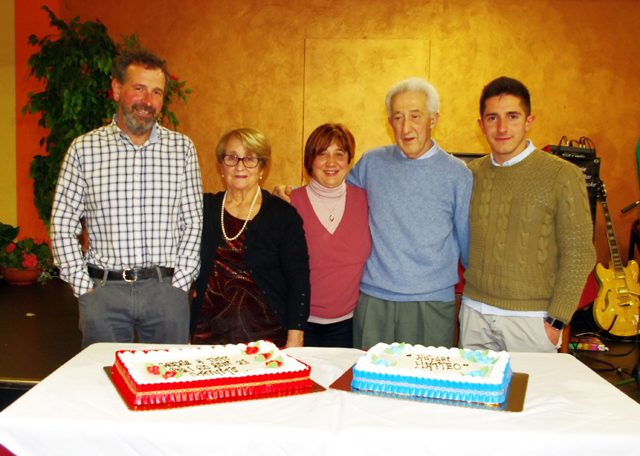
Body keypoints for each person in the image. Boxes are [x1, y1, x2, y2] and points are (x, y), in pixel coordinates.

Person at [276, 78, 473, 349]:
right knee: (366, 374)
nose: (406, 127)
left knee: (425, 375)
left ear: (434, 119)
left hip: (431, 302)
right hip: (373, 301)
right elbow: (332, 186)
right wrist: (288, 194)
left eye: (415, 116)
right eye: (398, 117)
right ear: (389, 121)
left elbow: (467, 246)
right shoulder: (372, 163)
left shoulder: (458, 174)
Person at [50, 48, 203, 348]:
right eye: (139, 88)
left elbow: (193, 222)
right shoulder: (83, 150)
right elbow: (62, 226)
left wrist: (180, 284)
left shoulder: (182, 149)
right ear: (117, 89)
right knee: (104, 375)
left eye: (156, 92)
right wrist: (84, 288)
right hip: (104, 293)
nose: (148, 101)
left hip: (165, 293)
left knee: (167, 375)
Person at [459, 76, 597, 352]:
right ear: (481, 125)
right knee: (473, 384)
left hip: (532, 321)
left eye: (512, 116)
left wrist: (557, 320)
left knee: (533, 385)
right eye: (492, 118)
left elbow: (580, 253)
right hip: (475, 314)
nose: (502, 127)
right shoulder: (469, 175)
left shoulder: (562, 174)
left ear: (528, 121)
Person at [191, 128, 310, 347]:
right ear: (221, 165)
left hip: (268, 341)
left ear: (262, 167)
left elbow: (298, 283)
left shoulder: (283, 216)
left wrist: (296, 337)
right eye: (232, 157)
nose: (240, 166)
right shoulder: (202, 209)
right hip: (208, 339)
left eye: (250, 159)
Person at [289, 124, 371, 348]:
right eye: (322, 154)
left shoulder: (366, 201)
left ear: (349, 160)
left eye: (339, 154)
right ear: (310, 160)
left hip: (350, 325)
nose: (331, 162)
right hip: (297, 325)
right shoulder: (289, 204)